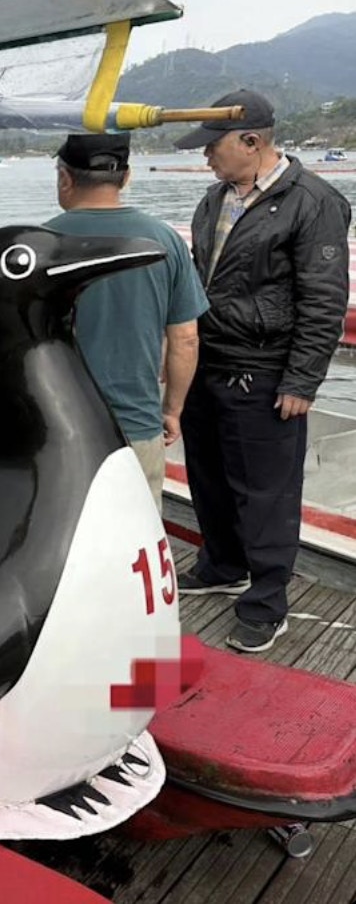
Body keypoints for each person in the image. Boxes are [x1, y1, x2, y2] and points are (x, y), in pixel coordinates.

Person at [172, 89, 352, 653]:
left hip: (264, 367)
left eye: (213, 145)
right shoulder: (213, 199)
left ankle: (268, 601)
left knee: (266, 492)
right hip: (207, 361)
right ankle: (223, 565)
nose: (206, 156)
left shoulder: (313, 202)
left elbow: (323, 299)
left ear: (251, 141)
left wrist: (302, 380)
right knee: (207, 475)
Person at [45, 132, 208, 511]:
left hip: (57, 427)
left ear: (65, 177)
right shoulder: (163, 240)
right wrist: (172, 410)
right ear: (127, 177)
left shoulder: (40, 243)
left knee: (62, 529)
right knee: (138, 528)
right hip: (137, 423)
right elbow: (186, 339)